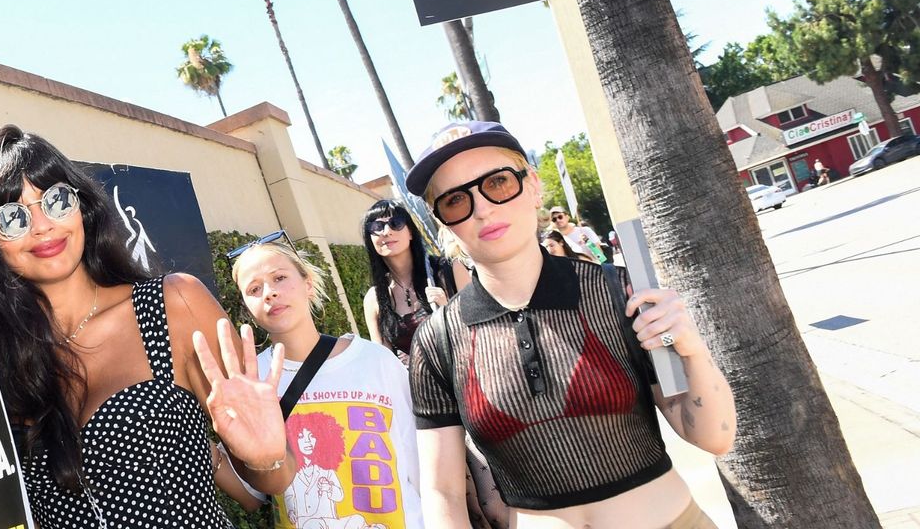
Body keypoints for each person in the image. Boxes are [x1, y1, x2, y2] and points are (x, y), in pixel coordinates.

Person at [0, 125, 295, 528]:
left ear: (82, 206)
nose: (43, 226)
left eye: (56, 200)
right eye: (12, 217)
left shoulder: (173, 304)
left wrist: (266, 456)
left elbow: (269, 481)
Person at [404, 121, 736, 529]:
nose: (484, 208)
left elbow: (712, 436)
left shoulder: (618, 291)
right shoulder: (437, 342)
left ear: (534, 187)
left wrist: (692, 349)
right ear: (443, 224)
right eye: (456, 200)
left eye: (498, 182)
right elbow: (444, 492)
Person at [228, 237, 426, 529]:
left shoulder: (375, 361)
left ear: (308, 284)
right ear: (247, 307)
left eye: (279, 278)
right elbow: (253, 491)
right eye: (254, 289)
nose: (269, 293)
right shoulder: (250, 379)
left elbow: (421, 463)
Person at [360, 199, 467, 359]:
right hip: (412, 382)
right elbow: (384, 362)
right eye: (376, 227)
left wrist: (447, 310)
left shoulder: (449, 270)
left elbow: (481, 331)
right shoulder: (375, 299)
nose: (386, 231)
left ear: (410, 232)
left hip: (462, 374)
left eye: (395, 223)